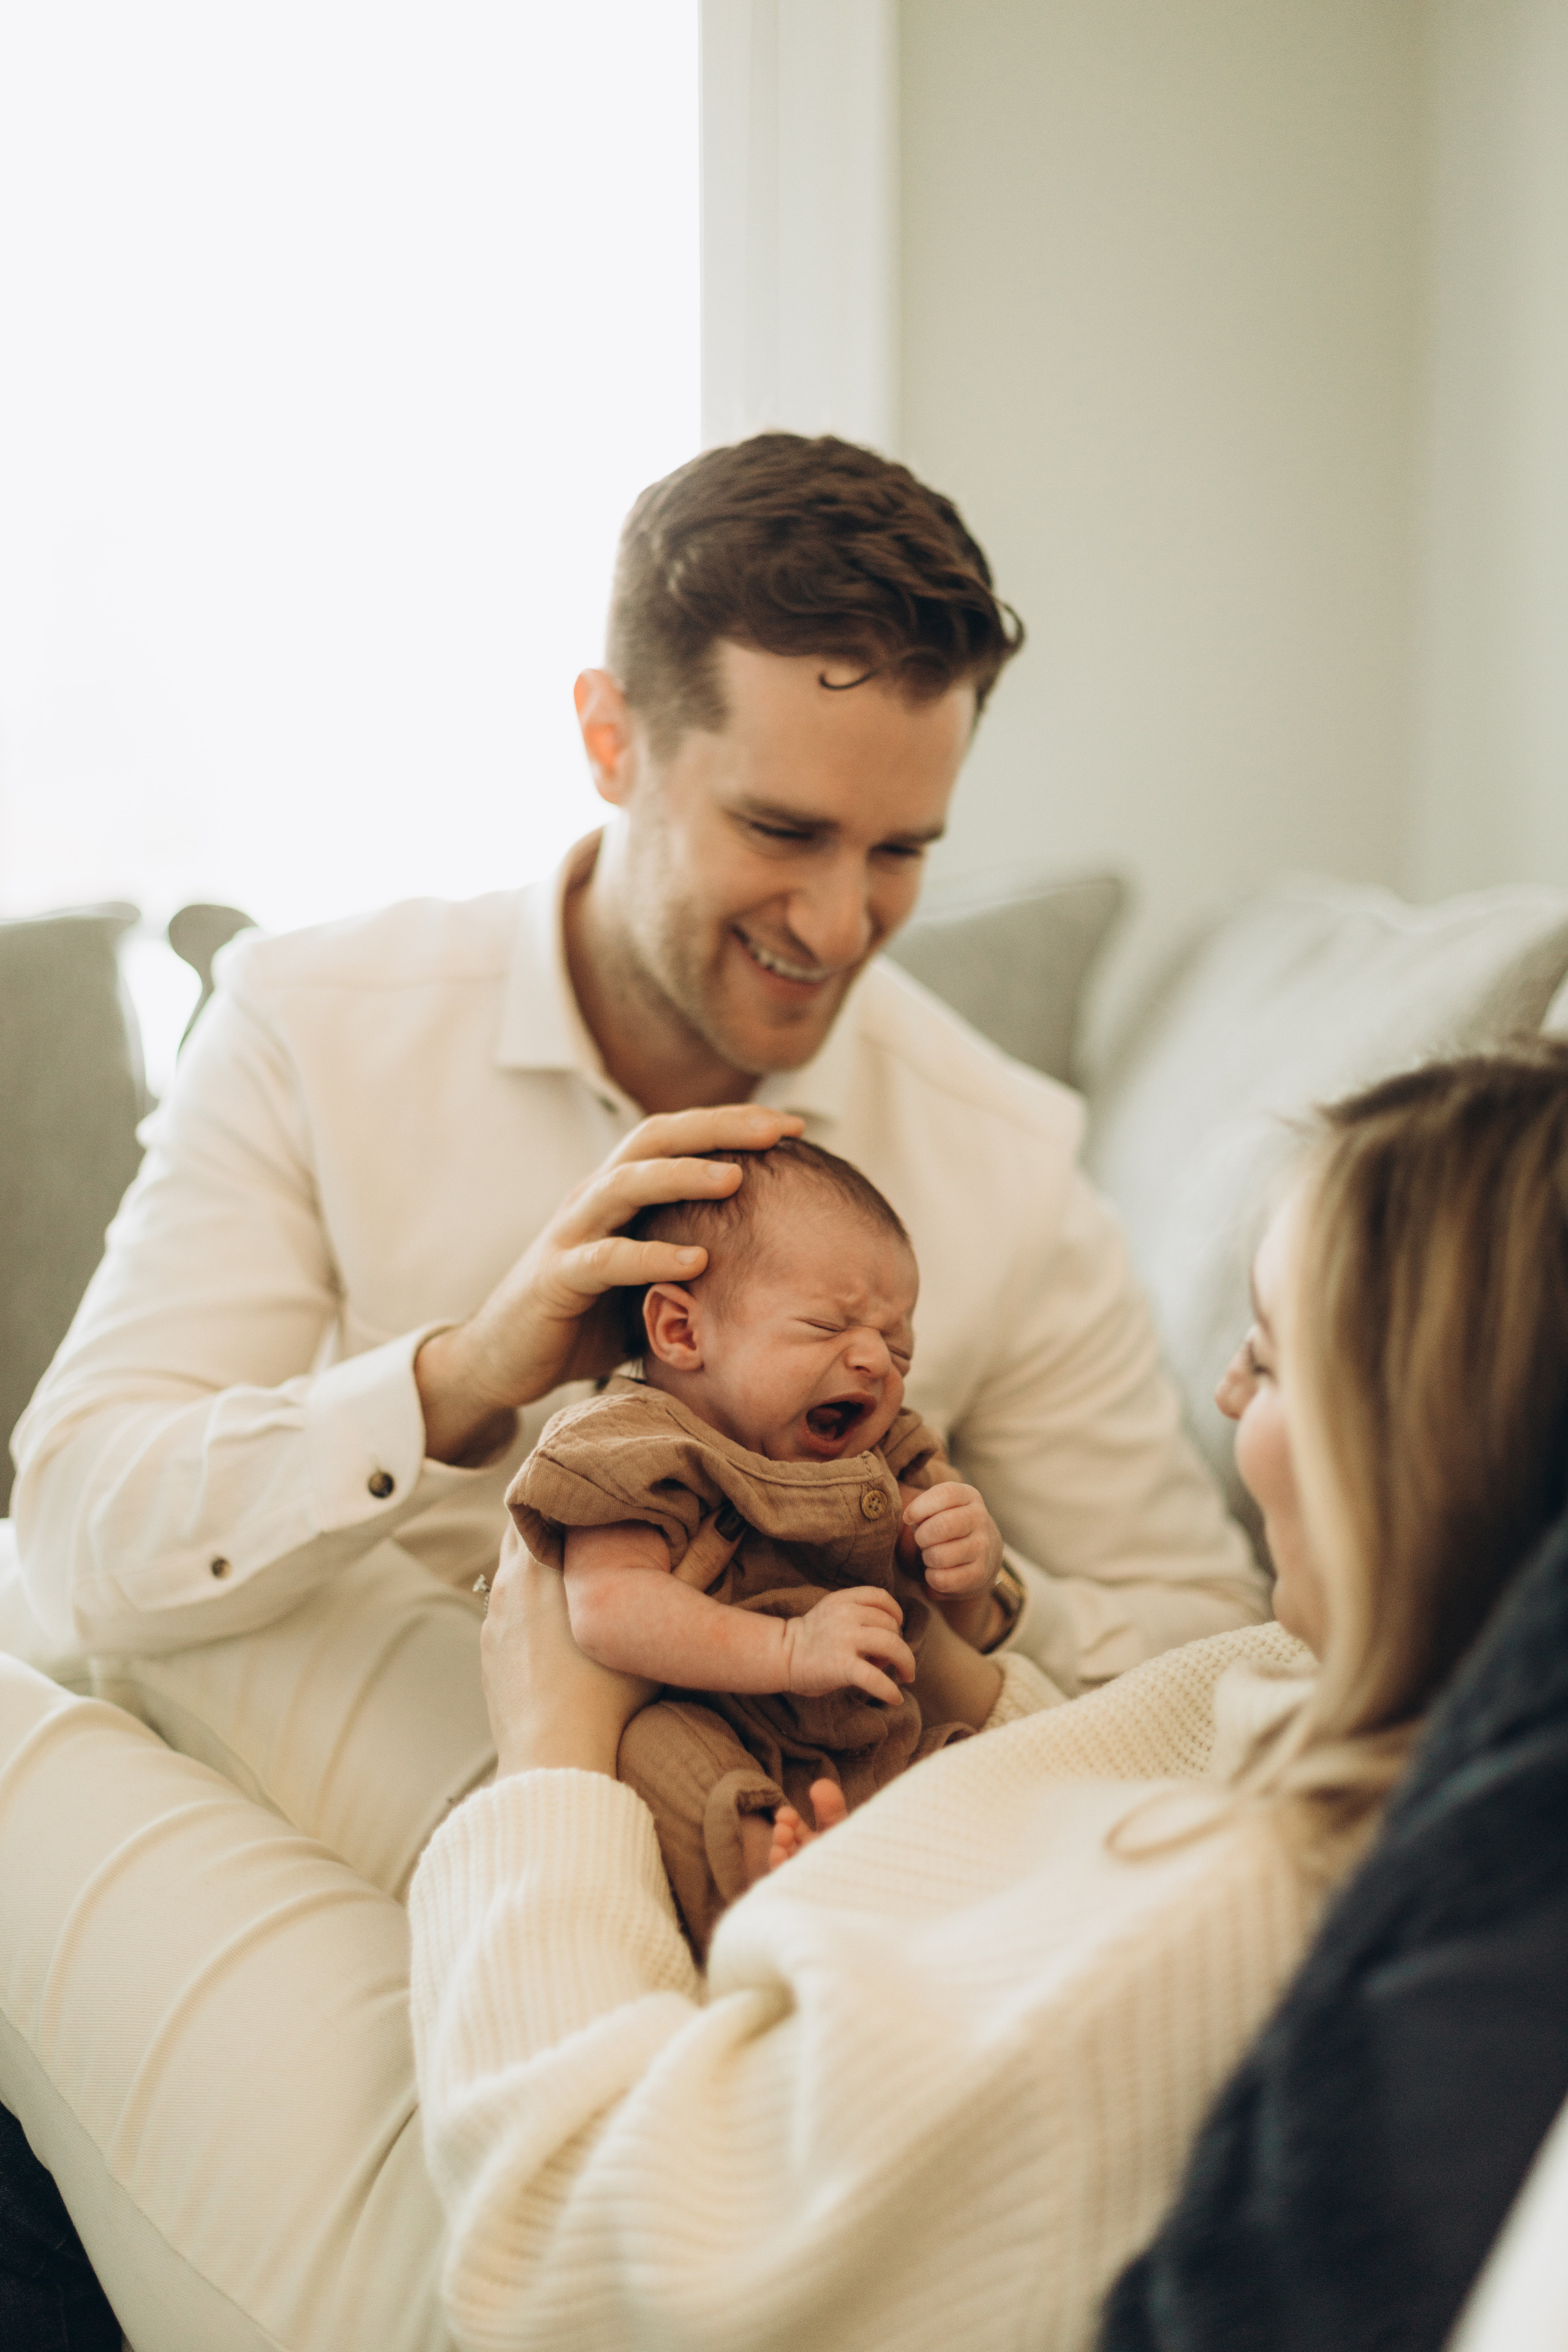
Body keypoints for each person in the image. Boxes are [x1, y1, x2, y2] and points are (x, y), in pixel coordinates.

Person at [7, 431, 1262, 1910]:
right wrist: (458, 1380)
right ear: (610, 740)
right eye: (779, 829)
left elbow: (1203, 1641)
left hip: (785, 1816)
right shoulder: (312, 1026)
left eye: (899, 851)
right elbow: (76, 1517)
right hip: (354, 1728)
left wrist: (954, 1592)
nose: (842, 923)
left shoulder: (1001, 1157)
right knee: (187, 1619)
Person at [396, 1042, 1568, 2352]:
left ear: (1411, 1448)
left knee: (115, 1742)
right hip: (780, 1911)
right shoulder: (1314, 1678)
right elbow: (1069, 1787)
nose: (1224, 1392)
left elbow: (571, 2259)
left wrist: (549, 1754)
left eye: (1269, 1361)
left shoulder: (1187, 1943)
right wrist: (931, 1707)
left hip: (533, 2168)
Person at [508, 1137, 1058, 1948]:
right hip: (715, 1734)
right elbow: (608, 1610)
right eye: (826, 1325)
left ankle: (919, 1886)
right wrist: (793, 1649)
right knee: (662, 1756)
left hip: (876, 1744)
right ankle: (770, 1887)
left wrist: (963, 1566)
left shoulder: (892, 1452)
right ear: (679, 1331)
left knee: (973, 1772)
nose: (874, 1359)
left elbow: (966, 1637)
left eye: (898, 1344)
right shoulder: (630, 1442)